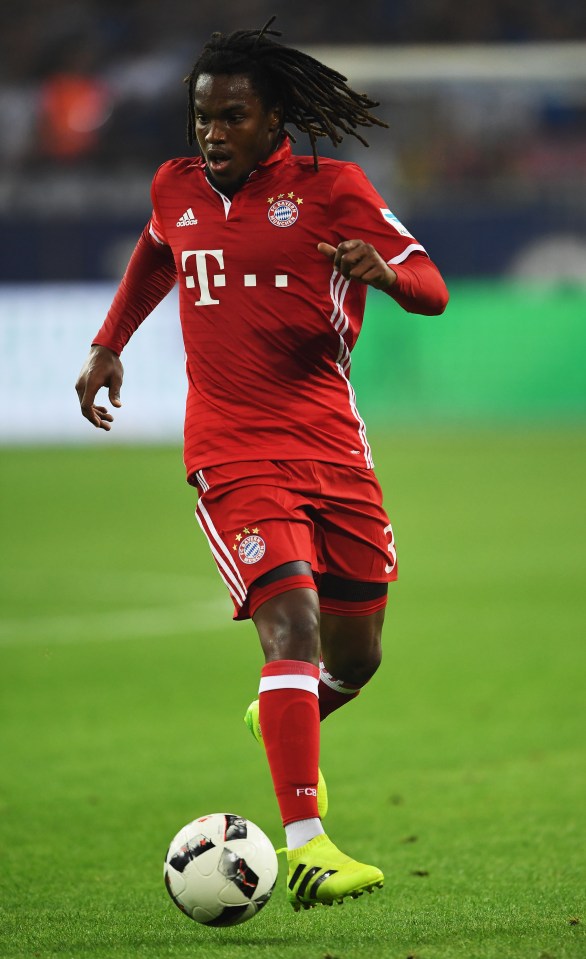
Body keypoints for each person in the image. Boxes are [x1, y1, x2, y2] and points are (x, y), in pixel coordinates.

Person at [75, 19, 449, 912]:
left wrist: (383, 271)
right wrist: (107, 343)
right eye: (202, 116)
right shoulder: (175, 188)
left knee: (356, 659)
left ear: (274, 116)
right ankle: (310, 847)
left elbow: (430, 285)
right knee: (293, 627)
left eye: (232, 116)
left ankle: (288, 712)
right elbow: (155, 254)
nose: (212, 133)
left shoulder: (333, 191)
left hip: (331, 445)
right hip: (232, 450)